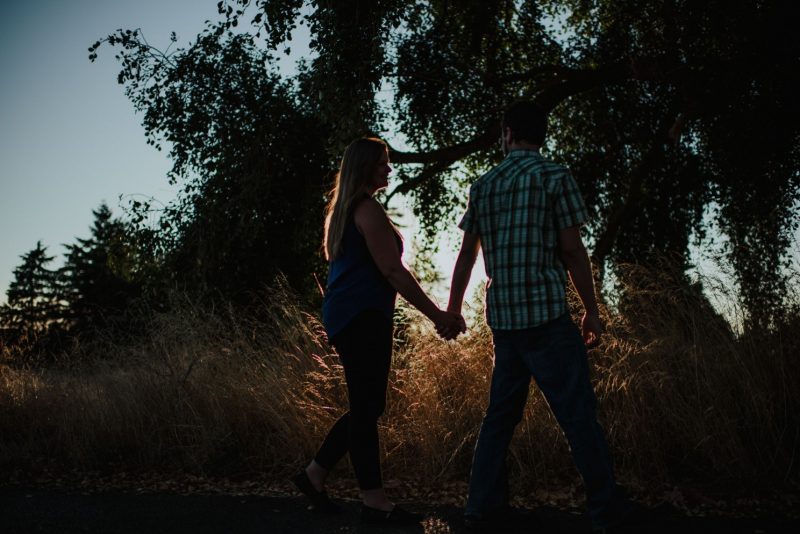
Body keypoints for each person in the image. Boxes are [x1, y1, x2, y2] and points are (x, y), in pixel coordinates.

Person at [445, 101, 629, 533]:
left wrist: (452, 311)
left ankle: (481, 506)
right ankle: (605, 510)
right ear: (539, 134)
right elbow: (571, 250)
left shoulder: (483, 185)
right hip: (547, 318)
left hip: (504, 323)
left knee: (500, 417)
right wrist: (591, 310)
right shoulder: (554, 177)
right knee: (577, 413)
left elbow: (466, 257)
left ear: (507, 133)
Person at [291, 137, 465, 525]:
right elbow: (392, 271)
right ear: (366, 166)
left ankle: (315, 474)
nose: (389, 169)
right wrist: (437, 314)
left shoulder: (346, 209)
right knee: (368, 408)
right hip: (362, 316)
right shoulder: (366, 209)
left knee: (367, 406)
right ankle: (374, 501)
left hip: (350, 315)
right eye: (383, 163)